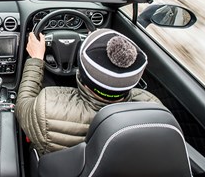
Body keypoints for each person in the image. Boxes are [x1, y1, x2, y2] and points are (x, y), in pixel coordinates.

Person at [15, 28, 161, 156]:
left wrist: (36, 59)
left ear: (81, 73)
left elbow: (22, 105)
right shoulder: (153, 107)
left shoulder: (47, 107)